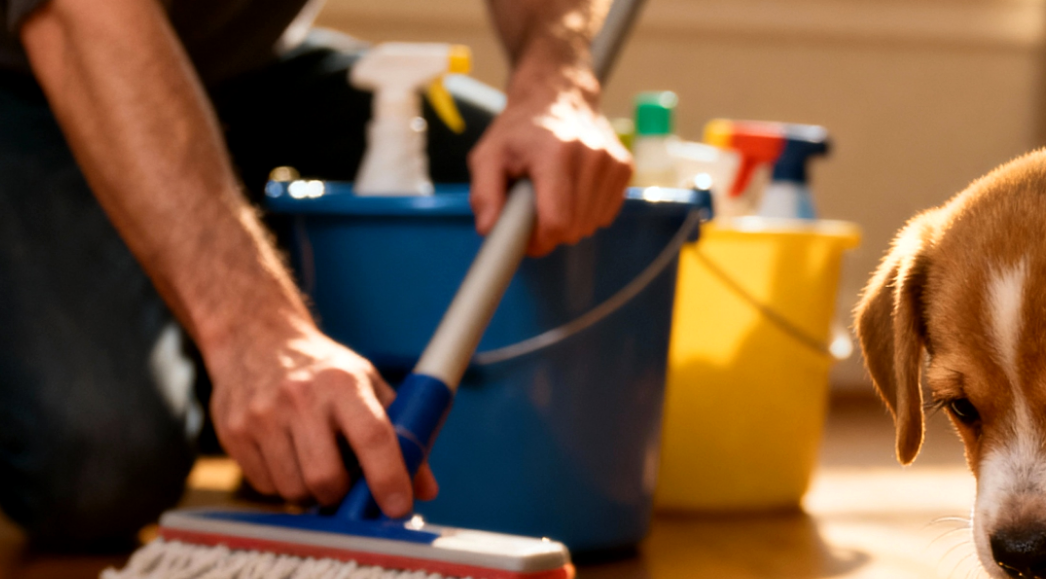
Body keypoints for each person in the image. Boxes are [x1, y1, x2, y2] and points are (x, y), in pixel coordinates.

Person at [0, 0, 634, 548]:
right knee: (102, 465)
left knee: (534, 183)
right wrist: (252, 329)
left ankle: (264, 402)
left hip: (249, 67)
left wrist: (558, 82)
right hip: (38, 73)